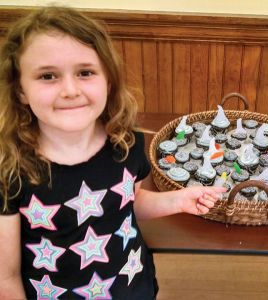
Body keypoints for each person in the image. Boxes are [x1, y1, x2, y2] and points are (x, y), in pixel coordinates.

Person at [0, 6, 225, 299]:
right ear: (20, 90)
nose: (70, 90)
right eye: (48, 76)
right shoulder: (10, 169)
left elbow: (127, 203)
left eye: (85, 72)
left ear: (108, 79)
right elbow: (6, 276)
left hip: (132, 287)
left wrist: (178, 200)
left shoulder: (126, 144)